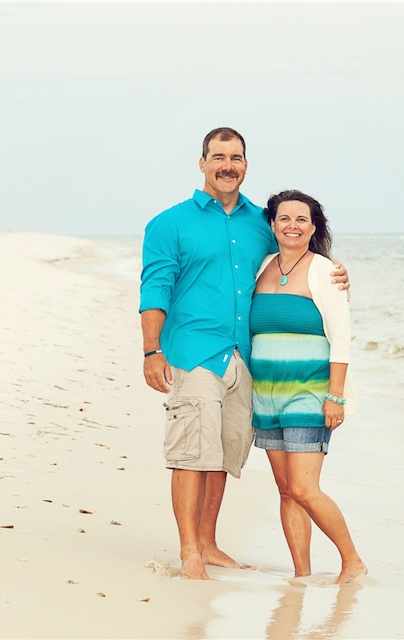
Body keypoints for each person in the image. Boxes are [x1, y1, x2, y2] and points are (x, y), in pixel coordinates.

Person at [138, 128, 348, 580]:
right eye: (218, 156)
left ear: (246, 165)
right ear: (202, 163)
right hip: (195, 352)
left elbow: (296, 259)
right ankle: (190, 552)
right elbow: (154, 288)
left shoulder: (260, 222)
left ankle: (210, 543)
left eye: (235, 157)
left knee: (224, 454)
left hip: (247, 359)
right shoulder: (169, 224)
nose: (227, 164)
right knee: (192, 454)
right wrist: (152, 349)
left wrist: (336, 271)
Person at [250, 189, 367, 584]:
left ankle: (352, 560)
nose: (292, 226)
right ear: (272, 224)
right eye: (285, 218)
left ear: (313, 227)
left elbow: (342, 338)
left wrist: (335, 397)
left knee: (304, 487)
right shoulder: (261, 266)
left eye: (302, 219)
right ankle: (302, 574)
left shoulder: (324, 270)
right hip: (266, 395)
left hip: (309, 392)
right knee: (285, 490)